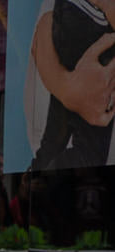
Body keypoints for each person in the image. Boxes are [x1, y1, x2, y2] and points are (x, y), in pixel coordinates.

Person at [30, 1, 115, 171]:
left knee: (54, 138)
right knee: (89, 153)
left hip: (70, 20)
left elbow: (43, 27)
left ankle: (40, 174)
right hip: (91, 28)